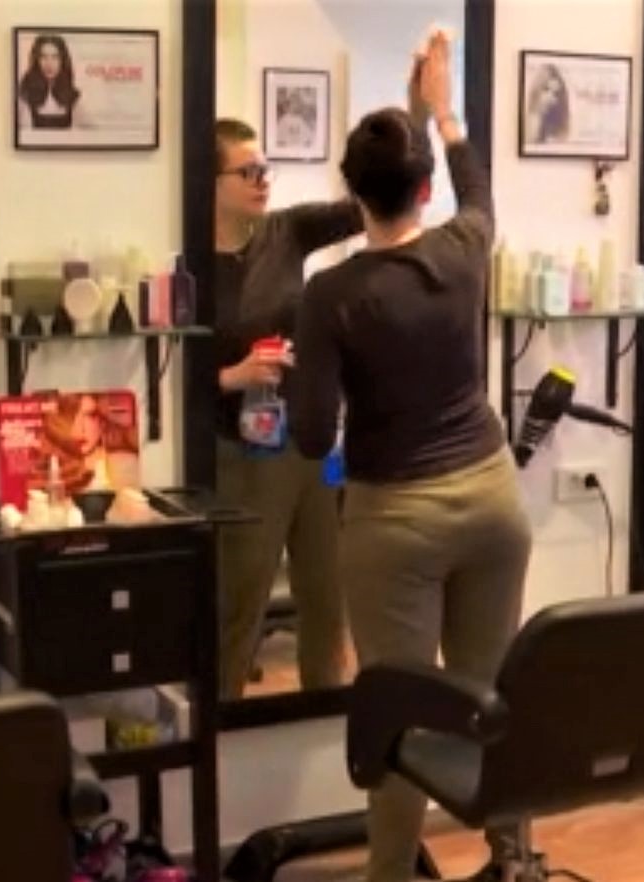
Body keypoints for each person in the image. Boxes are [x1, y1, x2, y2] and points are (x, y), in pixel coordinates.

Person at [291, 29, 531, 882]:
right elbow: (476, 190)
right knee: (490, 698)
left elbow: (312, 435)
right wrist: (441, 111)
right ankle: (515, 861)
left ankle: (390, 874)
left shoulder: (331, 295)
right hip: (494, 503)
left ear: (351, 192)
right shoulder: (463, 252)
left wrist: (302, 380)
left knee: (399, 717)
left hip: (395, 520)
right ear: (423, 189)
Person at [212, 118, 365, 699]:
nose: (262, 180)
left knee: (329, 595)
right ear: (211, 182)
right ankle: (222, 719)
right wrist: (234, 376)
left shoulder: (287, 231)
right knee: (241, 600)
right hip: (245, 453)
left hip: (313, 439)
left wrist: (418, 120)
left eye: (265, 169)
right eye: (247, 171)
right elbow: (175, 373)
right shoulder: (189, 262)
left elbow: (364, 208)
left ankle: (325, 718)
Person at [18, 35, 79, 130]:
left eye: (55, 57)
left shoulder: (73, 96)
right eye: (43, 57)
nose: (49, 63)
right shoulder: (25, 94)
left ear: (62, 61)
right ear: (36, 60)